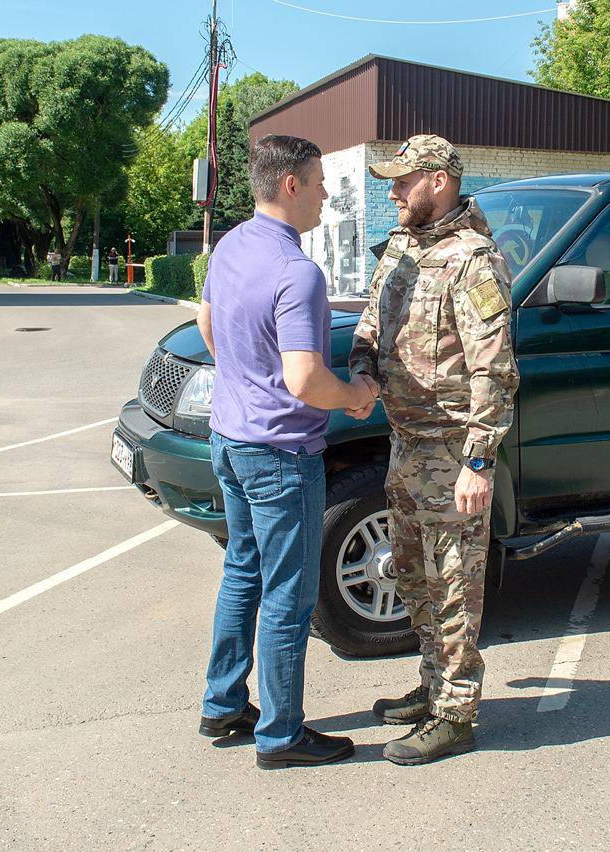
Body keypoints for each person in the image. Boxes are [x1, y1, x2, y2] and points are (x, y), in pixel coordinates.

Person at [196, 134, 379, 771]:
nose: (328, 194)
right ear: (291, 185)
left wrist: (246, 381)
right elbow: (305, 379)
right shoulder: (296, 272)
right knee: (289, 596)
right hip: (279, 455)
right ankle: (280, 734)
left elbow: (208, 326)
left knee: (243, 572)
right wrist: (355, 395)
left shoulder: (230, 246)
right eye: (320, 181)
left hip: (230, 440)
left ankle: (223, 703)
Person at [350, 135, 519, 765]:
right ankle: (431, 687)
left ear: (440, 180)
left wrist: (479, 460)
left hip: (451, 451)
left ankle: (456, 714)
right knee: (415, 576)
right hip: (406, 444)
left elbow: (495, 370)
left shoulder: (474, 261)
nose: (391, 191)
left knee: (454, 585)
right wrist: (362, 365)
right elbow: (371, 318)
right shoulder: (401, 247)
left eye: (402, 180)